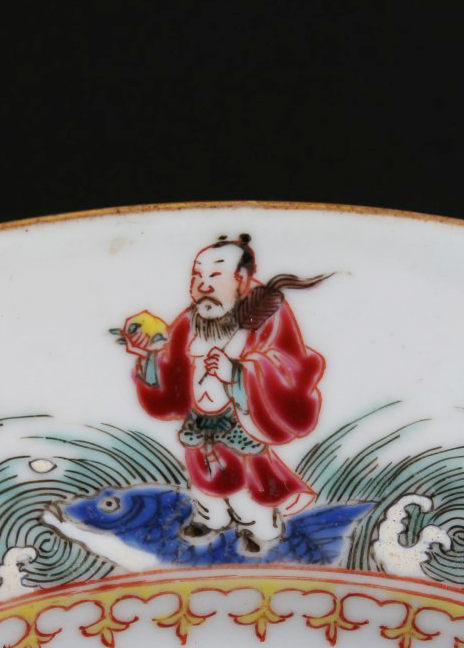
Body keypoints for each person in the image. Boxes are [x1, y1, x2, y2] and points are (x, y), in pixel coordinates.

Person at [122, 235, 327, 553]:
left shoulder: (267, 316)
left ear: (242, 279)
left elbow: (289, 367)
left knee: (246, 486)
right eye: (197, 276)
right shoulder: (190, 320)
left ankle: (260, 530)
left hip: (238, 423)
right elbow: (170, 369)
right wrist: (149, 355)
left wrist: (237, 373)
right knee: (203, 478)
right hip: (199, 421)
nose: (203, 285)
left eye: (215, 275)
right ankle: (209, 518)